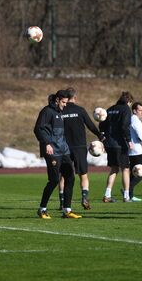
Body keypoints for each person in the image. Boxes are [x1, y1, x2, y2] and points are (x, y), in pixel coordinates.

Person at [34, 90, 81, 219]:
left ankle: (67, 210)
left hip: (64, 151)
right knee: (54, 180)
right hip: (52, 151)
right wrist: (46, 143)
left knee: (70, 177)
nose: (65, 105)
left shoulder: (60, 113)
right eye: (64, 102)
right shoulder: (47, 111)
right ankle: (42, 209)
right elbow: (38, 129)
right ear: (57, 100)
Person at [60, 87, 104, 210]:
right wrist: (100, 135)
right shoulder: (80, 110)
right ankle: (84, 197)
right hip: (79, 147)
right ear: (75, 97)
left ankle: (62, 201)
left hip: (65, 148)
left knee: (64, 176)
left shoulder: (61, 111)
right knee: (83, 175)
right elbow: (90, 125)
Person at [100, 91, 134, 203]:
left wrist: (104, 139)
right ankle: (126, 196)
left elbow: (102, 125)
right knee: (125, 169)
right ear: (129, 101)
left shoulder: (110, 109)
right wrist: (129, 140)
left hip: (109, 143)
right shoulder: (126, 110)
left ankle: (107, 195)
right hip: (120, 143)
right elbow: (125, 126)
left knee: (114, 168)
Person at [128, 102, 142, 202]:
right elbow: (140, 135)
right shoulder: (136, 121)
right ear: (134, 111)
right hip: (136, 151)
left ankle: (129, 194)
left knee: (133, 173)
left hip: (130, 151)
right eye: (140, 110)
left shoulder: (129, 119)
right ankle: (128, 191)